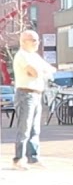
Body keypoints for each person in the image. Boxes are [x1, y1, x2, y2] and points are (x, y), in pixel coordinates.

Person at [11, 30, 54, 169]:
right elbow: (33, 72)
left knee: (35, 128)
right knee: (24, 128)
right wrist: (43, 71)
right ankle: (19, 159)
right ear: (23, 41)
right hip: (25, 94)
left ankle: (33, 157)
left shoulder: (34, 56)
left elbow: (51, 69)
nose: (37, 43)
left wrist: (42, 70)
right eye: (33, 40)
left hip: (36, 94)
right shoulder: (22, 55)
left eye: (37, 40)